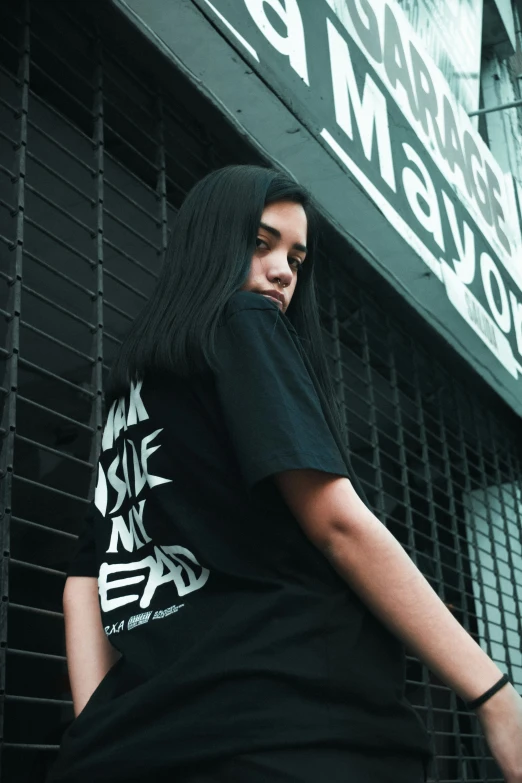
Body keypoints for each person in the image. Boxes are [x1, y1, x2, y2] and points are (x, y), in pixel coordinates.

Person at [48, 165, 522, 783]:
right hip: (296, 726)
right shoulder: (244, 324)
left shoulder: (128, 399)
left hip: (154, 743)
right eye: (261, 243)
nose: (282, 272)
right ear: (211, 243)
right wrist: (493, 696)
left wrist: (102, 732)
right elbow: (338, 525)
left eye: (297, 259)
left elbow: (84, 584)